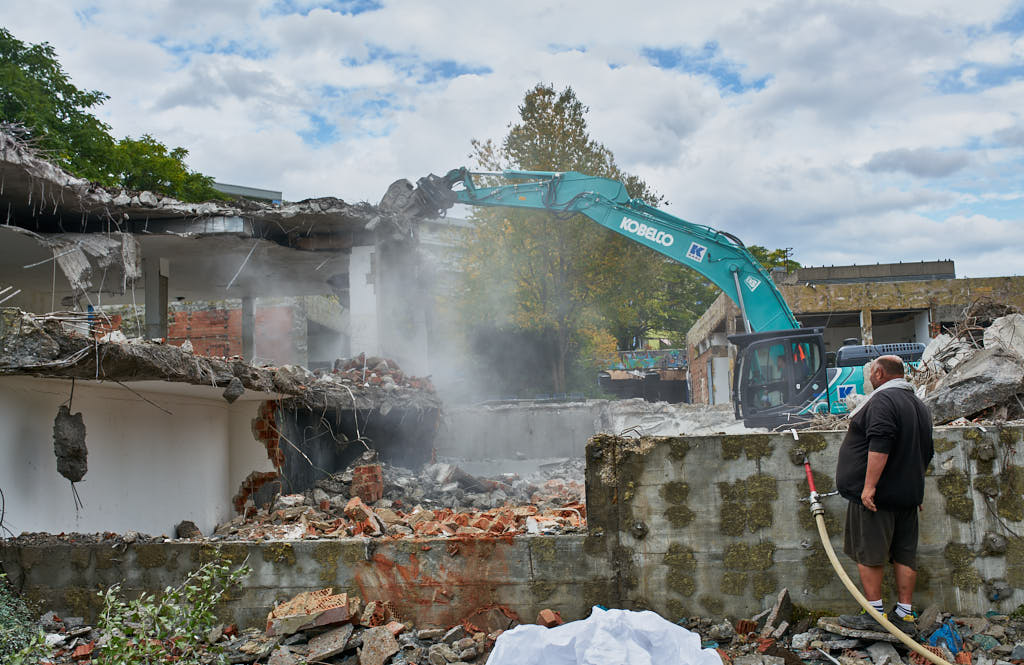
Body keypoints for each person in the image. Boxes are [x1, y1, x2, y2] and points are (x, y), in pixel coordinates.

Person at [835, 355, 933, 632]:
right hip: (907, 497)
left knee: (870, 553)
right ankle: (905, 615)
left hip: (876, 499)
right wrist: (917, 487)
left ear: (879, 372)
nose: (870, 378)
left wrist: (869, 487)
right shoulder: (919, 406)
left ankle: (875, 616)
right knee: (904, 554)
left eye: (871, 373)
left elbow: (880, 443)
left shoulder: (882, 401)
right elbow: (926, 450)